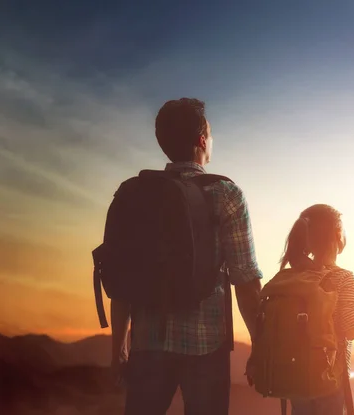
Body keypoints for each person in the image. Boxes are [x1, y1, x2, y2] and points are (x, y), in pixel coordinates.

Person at [110, 98, 263, 415]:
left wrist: (118, 348)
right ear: (202, 140)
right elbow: (246, 280)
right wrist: (261, 345)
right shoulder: (226, 194)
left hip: (146, 342)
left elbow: (122, 275)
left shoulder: (133, 193)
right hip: (207, 345)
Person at [248, 204, 354, 415]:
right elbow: (350, 329)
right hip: (328, 379)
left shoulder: (290, 277)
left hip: (293, 377)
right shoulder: (343, 278)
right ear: (338, 235)